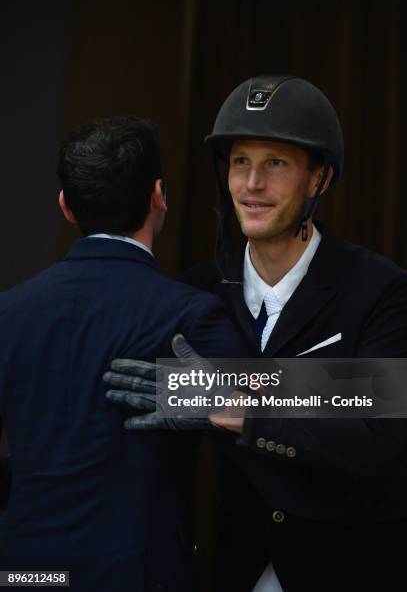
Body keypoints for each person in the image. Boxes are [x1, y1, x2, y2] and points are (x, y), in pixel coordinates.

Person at [104, 77, 407, 591]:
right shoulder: (196, 293)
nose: (251, 185)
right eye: (241, 162)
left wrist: (229, 403)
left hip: (350, 568)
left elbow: (378, 440)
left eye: (276, 164)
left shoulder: (382, 291)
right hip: (228, 569)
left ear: (320, 180)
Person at [0, 116, 247, 591]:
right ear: (160, 196)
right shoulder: (191, 316)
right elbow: (271, 408)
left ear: (66, 206)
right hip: (138, 575)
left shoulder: (8, 315)